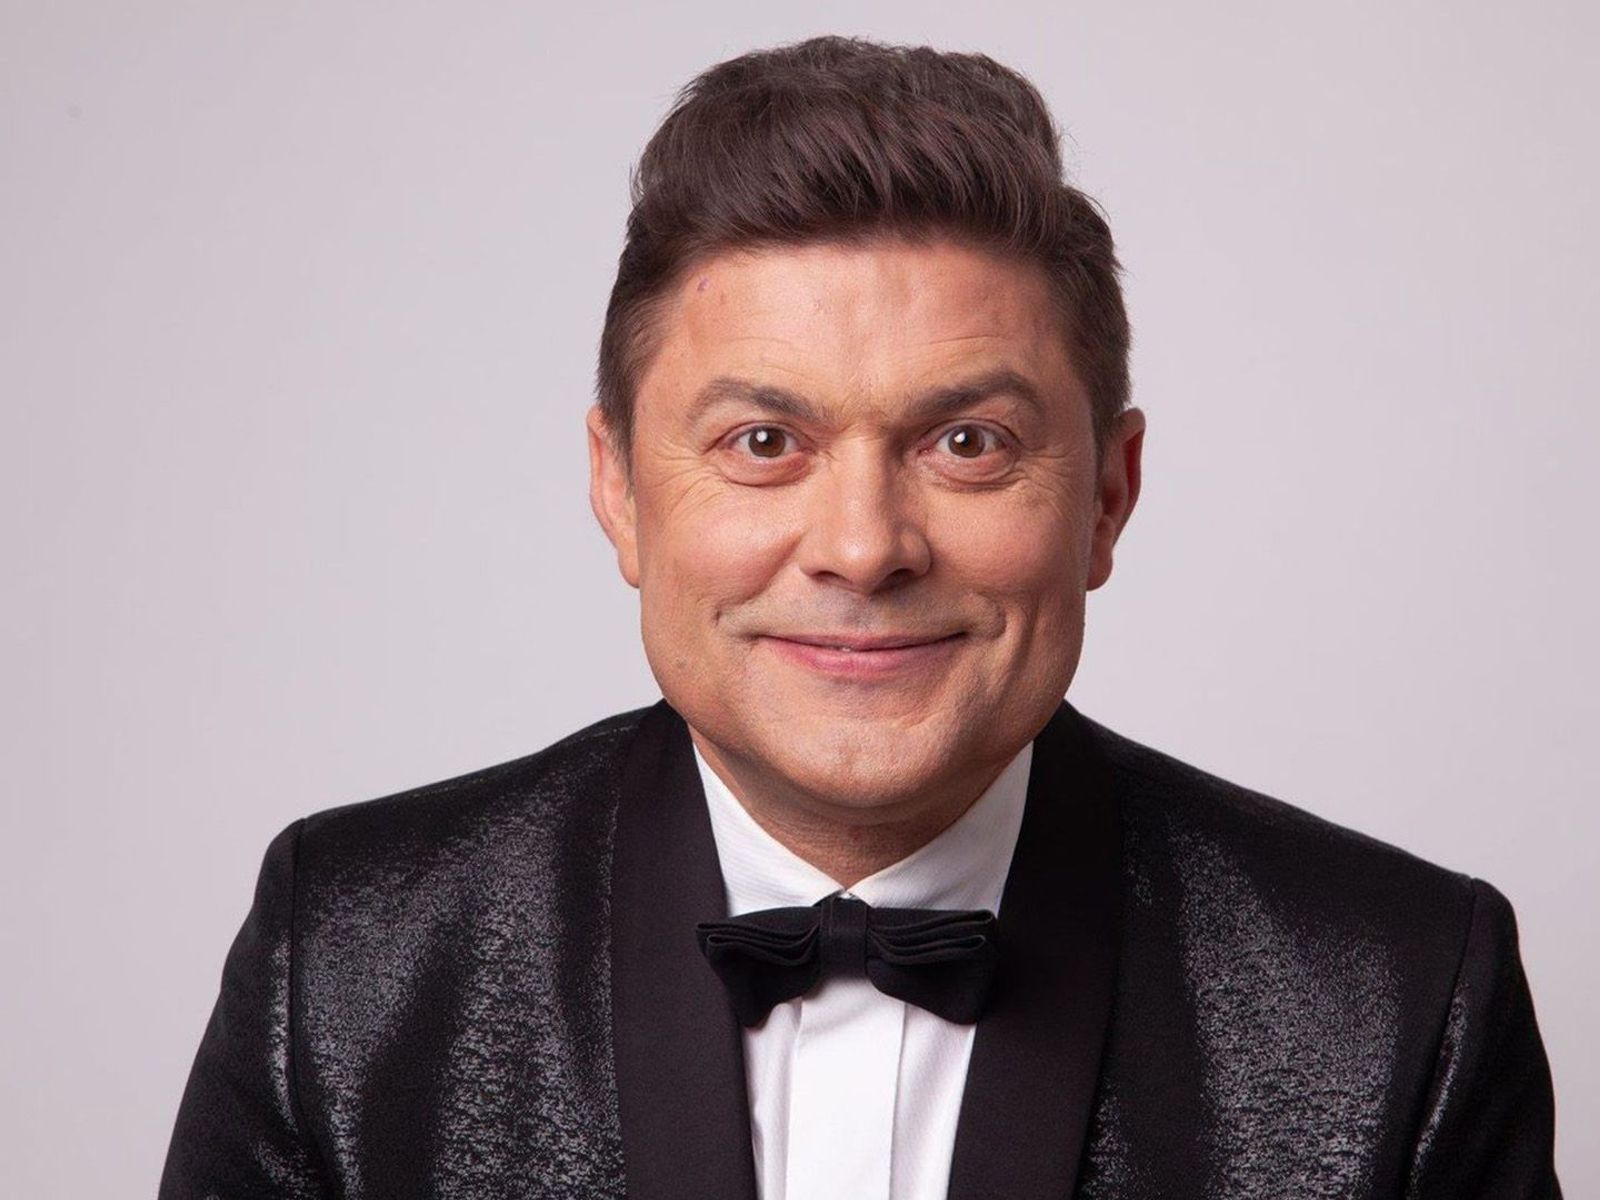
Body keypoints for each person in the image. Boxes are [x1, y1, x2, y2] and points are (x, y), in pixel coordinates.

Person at [159, 35, 1561, 1200]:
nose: (862, 547)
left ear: (1107, 497)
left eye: (968, 444)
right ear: (619, 491)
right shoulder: (348, 961)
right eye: (765, 442)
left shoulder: (1398, 997)